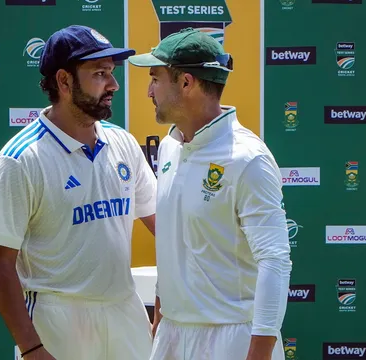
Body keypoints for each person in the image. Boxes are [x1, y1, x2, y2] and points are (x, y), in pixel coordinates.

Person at [0, 25, 157, 360]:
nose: (113, 85)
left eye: (112, 73)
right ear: (64, 81)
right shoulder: (19, 160)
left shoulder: (123, 143)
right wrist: (31, 347)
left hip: (124, 311)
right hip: (57, 320)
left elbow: (162, 226)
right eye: (100, 74)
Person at [127, 28, 292, 360]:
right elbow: (174, 244)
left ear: (186, 83)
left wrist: (259, 353)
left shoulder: (248, 159)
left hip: (231, 340)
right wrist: (161, 321)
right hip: (172, 335)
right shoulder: (171, 147)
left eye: (156, 78)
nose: (149, 91)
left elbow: (275, 262)